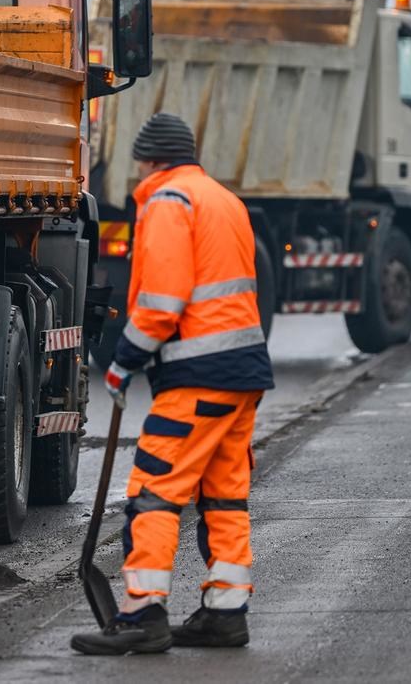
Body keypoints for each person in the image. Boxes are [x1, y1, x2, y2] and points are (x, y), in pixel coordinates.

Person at [71, 113, 273, 656]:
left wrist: (121, 363)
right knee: (224, 498)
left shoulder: (167, 200)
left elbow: (163, 299)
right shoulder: (223, 200)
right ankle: (226, 615)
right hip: (243, 375)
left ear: (151, 160)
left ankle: (141, 615)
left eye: (141, 162)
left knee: (153, 495)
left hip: (196, 378)